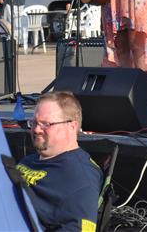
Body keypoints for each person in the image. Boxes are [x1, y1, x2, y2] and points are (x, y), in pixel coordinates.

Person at [17, 92, 102, 231]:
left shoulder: (81, 178)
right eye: (34, 123)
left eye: (46, 124)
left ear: (72, 126)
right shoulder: (29, 160)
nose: (37, 129)